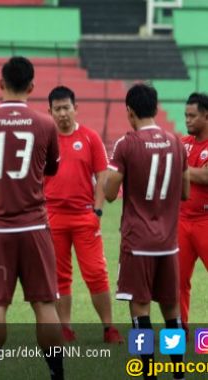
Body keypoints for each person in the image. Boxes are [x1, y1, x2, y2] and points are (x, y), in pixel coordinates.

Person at [0, 56, 64, 380]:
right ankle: (56, 374)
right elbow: (51, 168)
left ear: (1, 84)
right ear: (32, 87)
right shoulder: (46, 124)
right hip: (35, 225)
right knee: (45, 304)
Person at [105, 83, 189, 380]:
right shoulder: (177, 143)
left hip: (137, 241)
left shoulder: (125, 145)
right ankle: (178, 372)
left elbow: (111, 192)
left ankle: (149, 374)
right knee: (171, 310)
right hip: (168, 242)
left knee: (139, 309)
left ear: (130, 112)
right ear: (156, 108)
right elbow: (186, 192)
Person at [44, 86, 123, 344]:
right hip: (53, 216)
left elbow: (102, 175)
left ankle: (109, 328)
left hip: (84, 216)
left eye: (67, 107)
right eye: (58, 109)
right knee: (59, 275)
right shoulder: (45, 140)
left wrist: (97, 210)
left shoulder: (89, 138)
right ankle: (65, 329)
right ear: (50, 112)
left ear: (76, 108)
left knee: (96, 272)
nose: (63, 113)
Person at [179, 92, 208, 330]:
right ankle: (179, 330)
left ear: (206, 116)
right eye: (185, 115)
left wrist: (178, 167)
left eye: (192, 116)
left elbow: (206, 176)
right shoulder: (182, 143)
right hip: (180, 221)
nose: (187, 120)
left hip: (205, 221)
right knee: (177, 281)